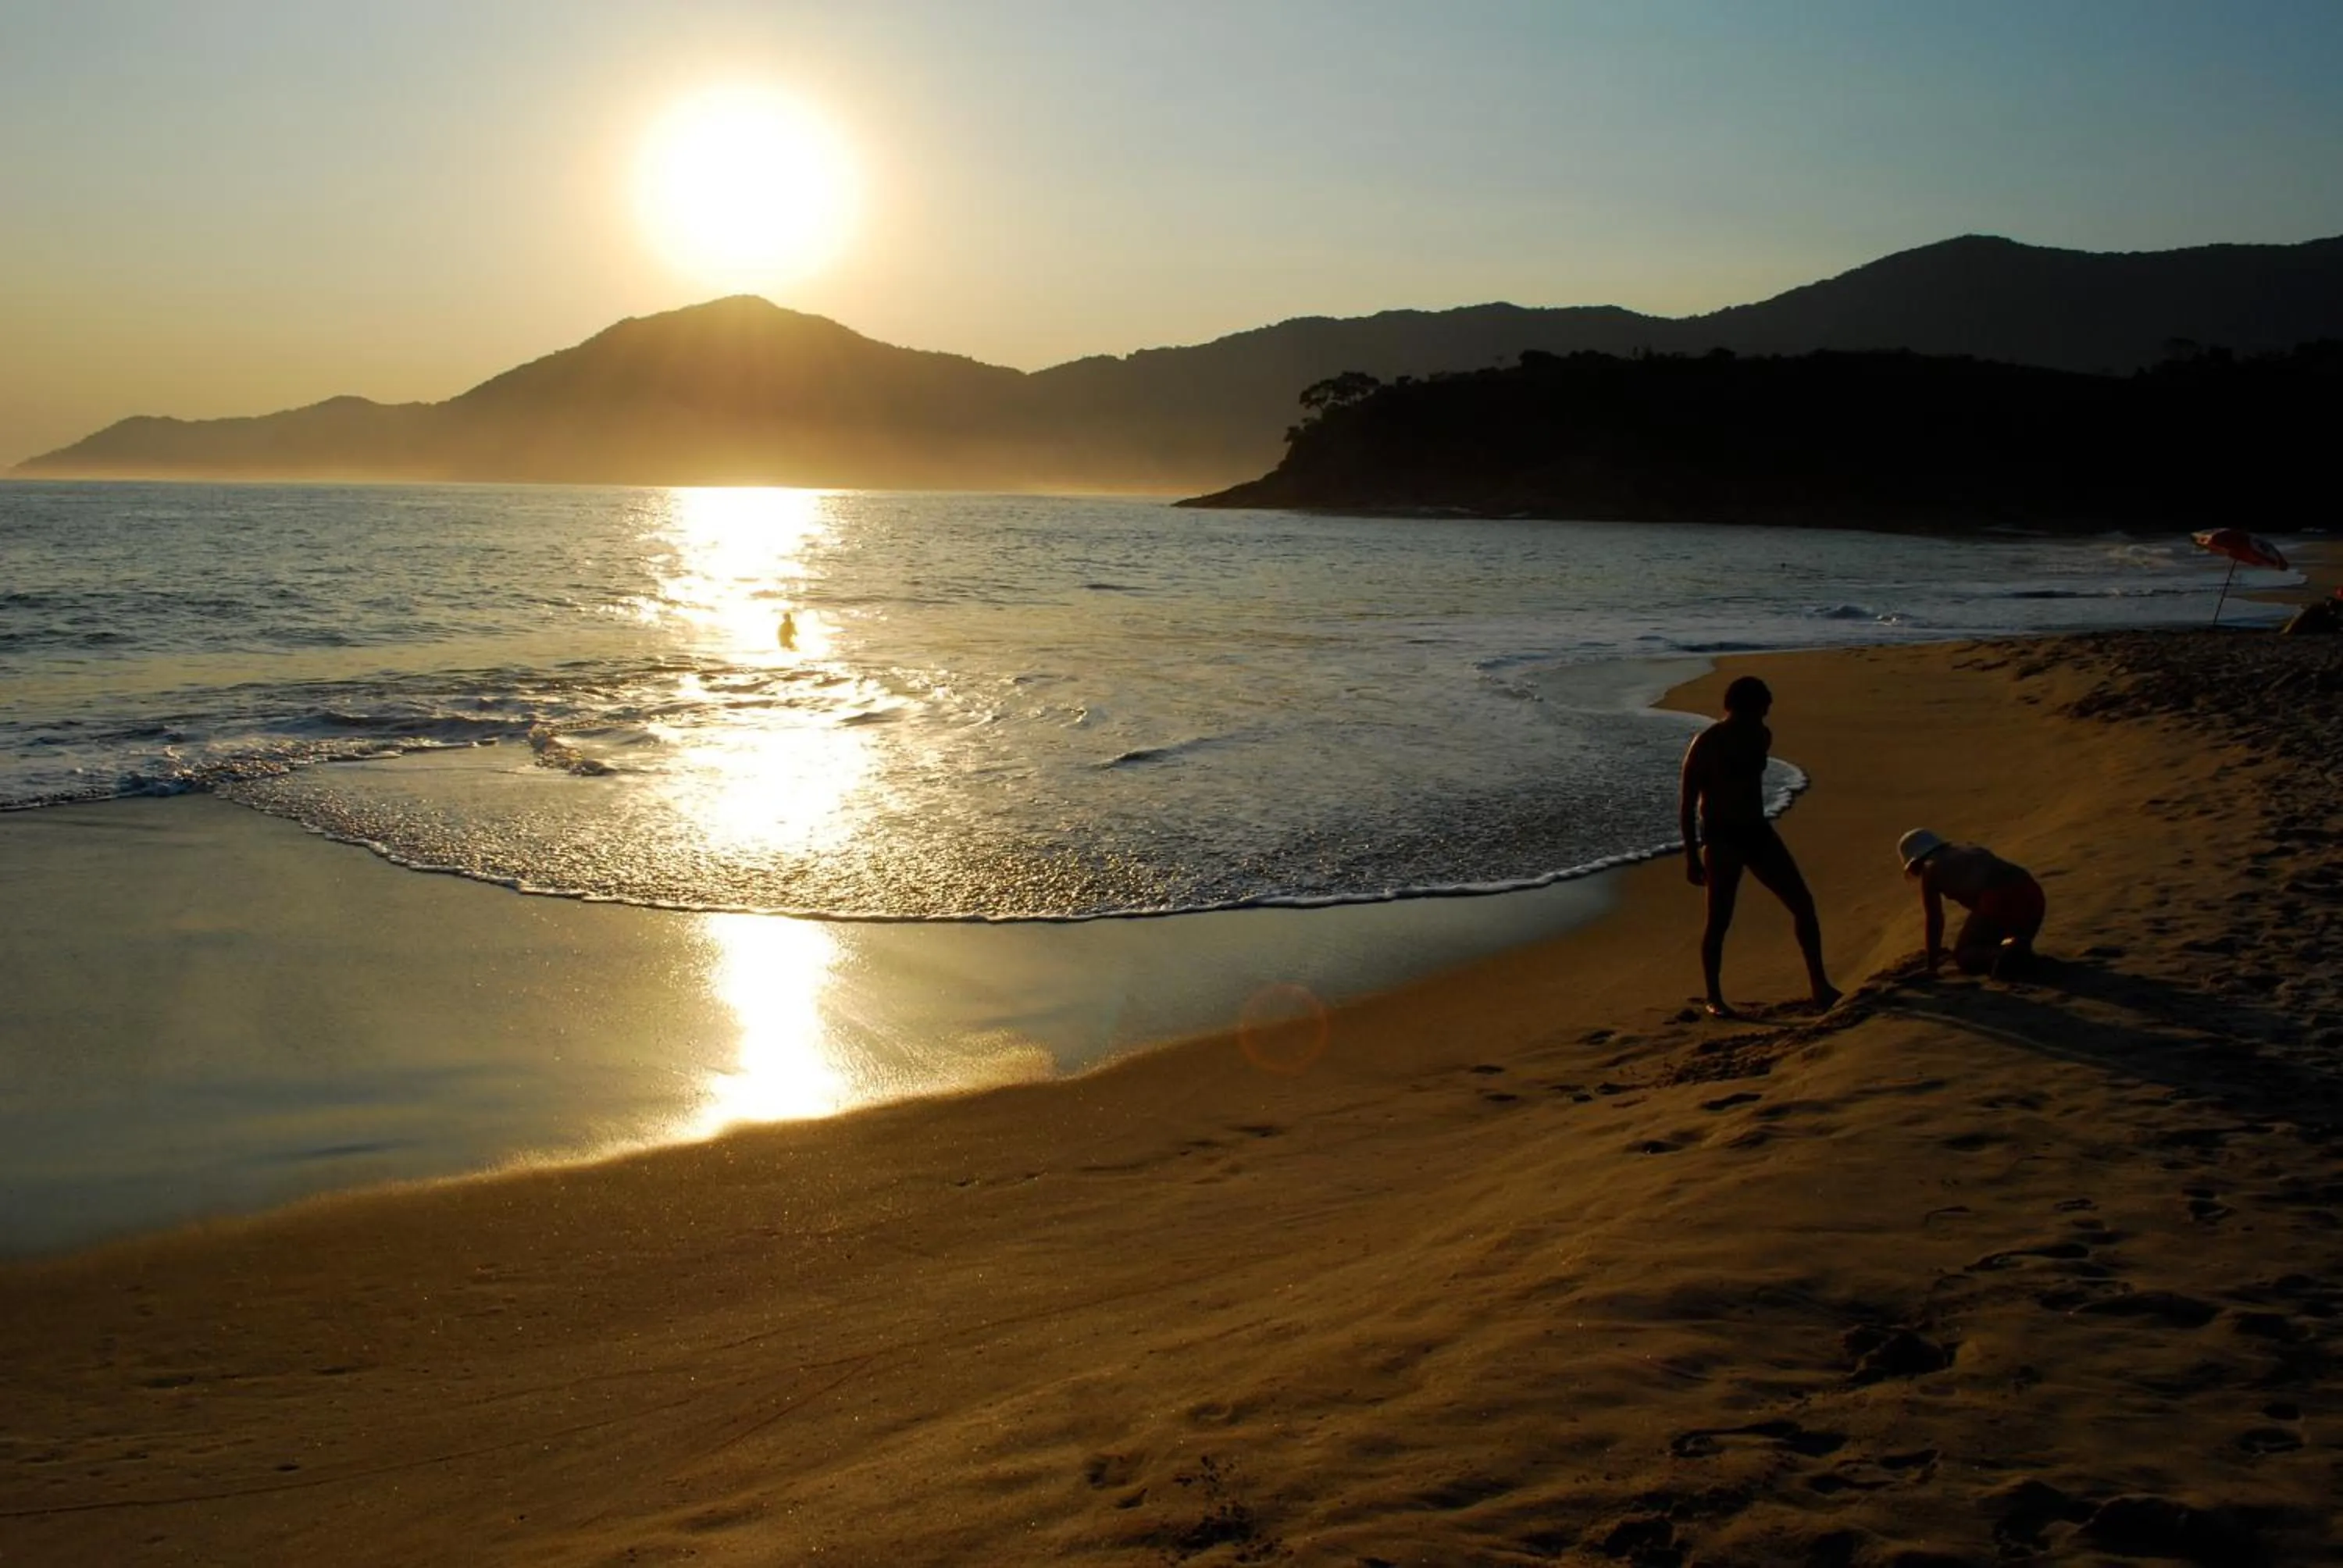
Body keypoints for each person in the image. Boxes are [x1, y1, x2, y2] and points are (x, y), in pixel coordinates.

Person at [1678, 675, 1840, 1017]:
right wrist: (1692, 856)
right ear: (1741, 706)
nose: (1766, 714)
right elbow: (1688, 801)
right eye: (1761, 707)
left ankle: (1820, 985)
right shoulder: (1707, 743)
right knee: (1719, 920)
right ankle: (1714, 996)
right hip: (1722, 838)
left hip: (1757, 831)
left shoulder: (1760, 736)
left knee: (1803, 904)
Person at [1897, 829, 2045, 977]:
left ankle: (2005, 954)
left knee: (1964, 954)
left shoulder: (1930, 868)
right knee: (1994, 941)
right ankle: (2015, 950)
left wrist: (1932, 965)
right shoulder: (1970, 849)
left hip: (1997, 896)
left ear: (1915, 861)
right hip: (2032, 892)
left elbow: (1934, 919)